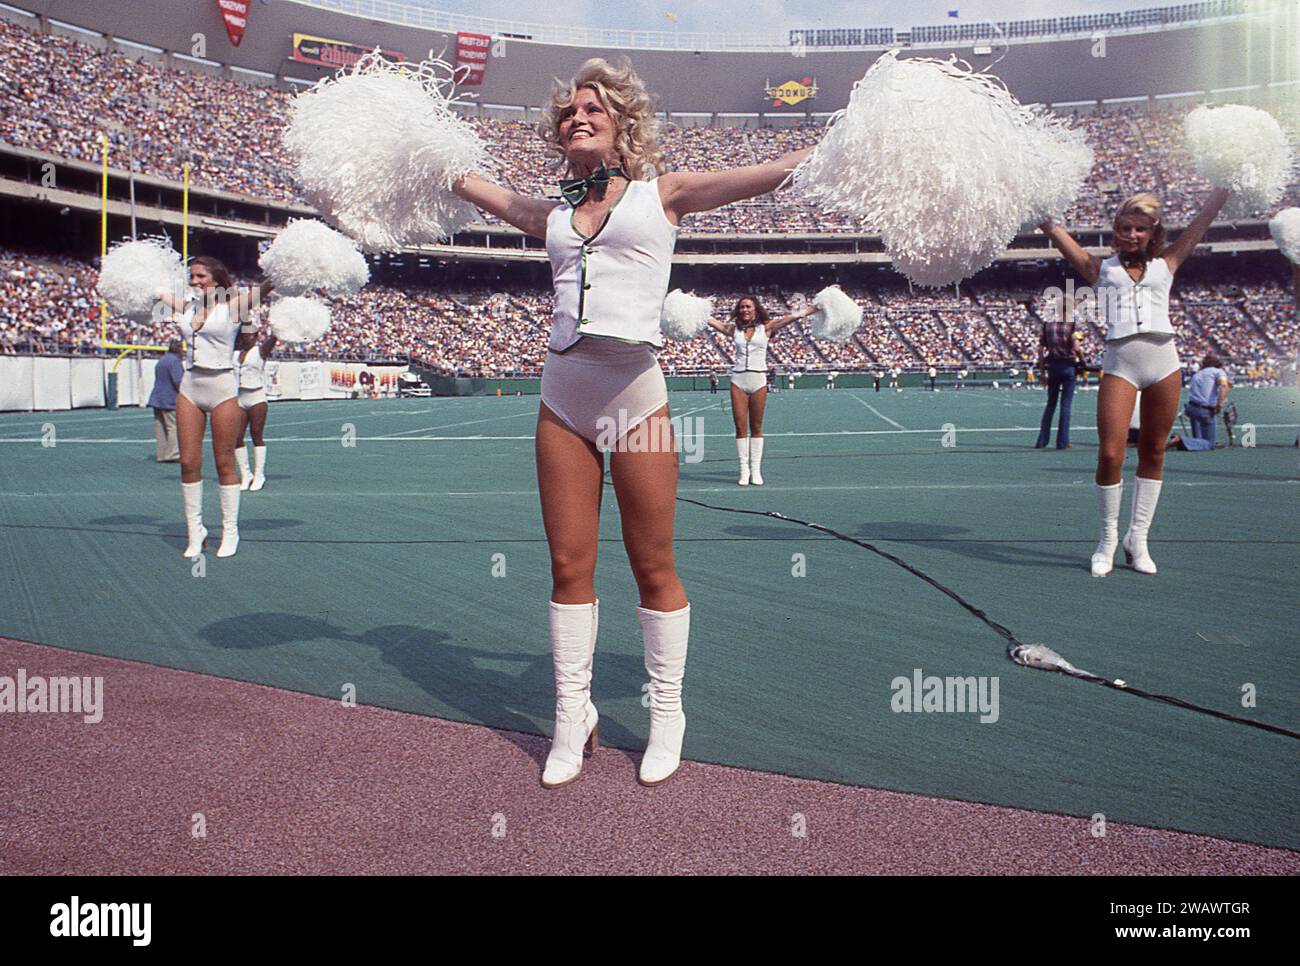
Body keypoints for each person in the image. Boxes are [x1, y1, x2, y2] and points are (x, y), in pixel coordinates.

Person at [452, 58, 813, 787]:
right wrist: (420, 150)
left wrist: (837, 148)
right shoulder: (547, 212)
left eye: (593, 108)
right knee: (567, 566)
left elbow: (768, 171)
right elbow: (468, 182)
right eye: (567, 112)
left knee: (653, 565)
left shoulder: (664, 195)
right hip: (562, 398)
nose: (576, 117)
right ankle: (570, 716)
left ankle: (667, 713)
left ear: (622, 123)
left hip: (637, 398)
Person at [1039, 187, 1228, 576]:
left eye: (1139, 229)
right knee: (1110, 453)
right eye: (1125, 228)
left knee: (1154, 451)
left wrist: (1223, 187)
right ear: (1116, 231)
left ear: (1152, 232)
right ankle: (1107, 540)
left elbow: (1201, 223)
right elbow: (1054, 231)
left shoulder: (1168, 263)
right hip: (1120, 362)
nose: (1131, 235)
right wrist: (1032, 204)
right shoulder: (1100, 268)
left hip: (1164, 363)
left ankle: (1137, 539)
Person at [156, 256, 274, 559]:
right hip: (190, 387)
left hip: (222, 387)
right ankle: (195, 532)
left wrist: (288, 269)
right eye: (191, 277)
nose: (194, 282)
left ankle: (230, 531)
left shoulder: (233, 307)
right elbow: (151, 291)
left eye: (200, 276)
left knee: (224, 462)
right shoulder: (186, 306)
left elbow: (265, 288)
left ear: (217, 279)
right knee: (188, 462)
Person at [707, 295, 816, 485]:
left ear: (755, 308)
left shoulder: (766, 327)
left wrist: (811, 309)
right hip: (738, 379)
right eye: (741, 307)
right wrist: (690, 310)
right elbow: (712, 322)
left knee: (756, 426)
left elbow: (790, 318)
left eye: (748, 306)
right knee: (740, 426)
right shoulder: (734, 329)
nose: (744, 310)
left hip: (758, 379)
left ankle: (756, 470)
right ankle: (744, 470)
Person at [1034, 292, 1086, 449]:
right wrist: (1082, 360)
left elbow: (1040, 350)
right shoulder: (1072, 325)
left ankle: (1042, 441)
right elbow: (1076, 347)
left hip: (1053, 367)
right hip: (1068, 366)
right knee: (1066, 405)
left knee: (1050, 404)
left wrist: (1042, 371)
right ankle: (1062, 442)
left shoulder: (1047, 325)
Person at [234, 325, 278, 492]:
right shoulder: (236, 353)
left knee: (256, 434)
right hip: (240, 397)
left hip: (256, 397)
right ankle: (246, 474)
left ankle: (259, 474)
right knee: (237, 437)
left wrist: (279, 326)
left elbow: (273, 339)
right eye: (245, 335)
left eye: (252, 335)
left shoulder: (260, 351)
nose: (248, 338)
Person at [146, 338, 184, 463]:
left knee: (160, 427)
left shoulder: (162, 360)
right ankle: (173, 453)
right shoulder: (174, 362)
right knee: (173, 426)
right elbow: (178, 380)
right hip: (169, 398)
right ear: (178, 349)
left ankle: (162, 454)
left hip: (157, 397)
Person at [1183, 352, 1231, 448]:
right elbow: (1224, 385)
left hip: (1190, 408)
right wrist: (1219, 405)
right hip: (1204, 410)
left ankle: (1192, 442)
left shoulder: (1198, 374)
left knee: (1199, 440)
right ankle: (1180, 440)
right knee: (1210, 444)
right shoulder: (1218, 372)